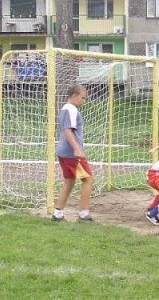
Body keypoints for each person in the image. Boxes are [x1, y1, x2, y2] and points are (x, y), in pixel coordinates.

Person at [51, 83, 95, 222]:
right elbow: (68, 130)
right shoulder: (71, 110)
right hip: (71, 153)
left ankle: (57, 214)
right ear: (74, 96)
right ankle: (83, 214)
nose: (84, 100)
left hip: (63, 152)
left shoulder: (65, 108)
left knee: (69, 182)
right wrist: (77, 148)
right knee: (88, 180)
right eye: (83, 97)